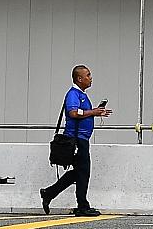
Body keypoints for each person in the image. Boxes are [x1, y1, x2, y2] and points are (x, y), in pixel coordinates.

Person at [41, 64, 111, 216]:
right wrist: (93, 112)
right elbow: (73, 113)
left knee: (79, 172)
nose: (90, 78)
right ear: (79, 78)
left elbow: (82, 112)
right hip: (77, 139)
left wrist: (95, 113)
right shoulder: (74, 94)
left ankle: (49, 193)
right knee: (83, 172)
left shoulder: (82, 94)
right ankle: (82, 206)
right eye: (88, 75)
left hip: (81, 139)